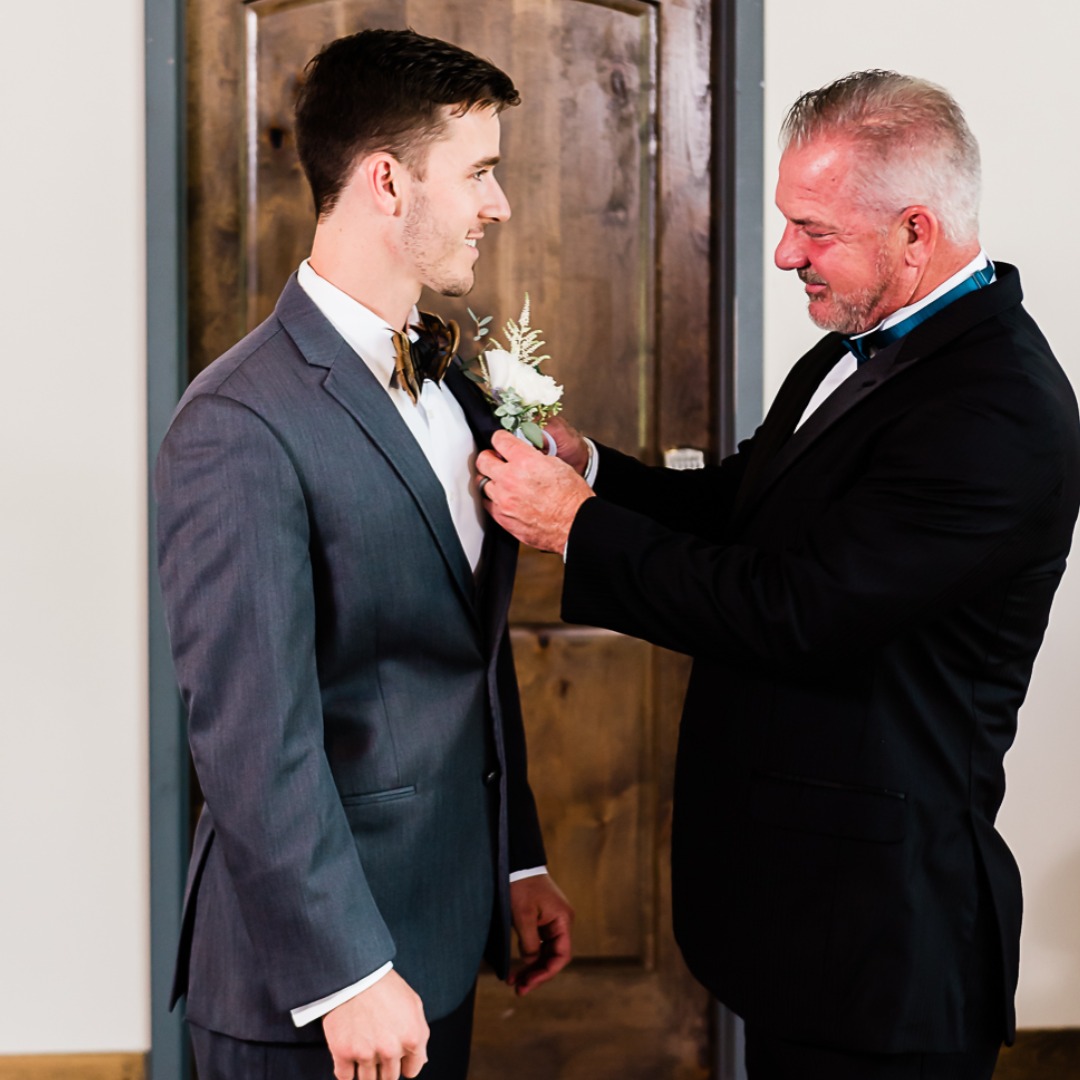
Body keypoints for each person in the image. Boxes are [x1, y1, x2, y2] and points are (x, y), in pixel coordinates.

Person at [476, 70, 1080, 1079]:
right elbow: (737, 507)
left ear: (915, 232)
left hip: (881, 937)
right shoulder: (858, 340)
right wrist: (590, 471)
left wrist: (577, 531)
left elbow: (798, 611)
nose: (785, 253)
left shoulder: (997, 411)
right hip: (801, 914)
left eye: (815, 230)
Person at [156, 28, 572, 1080]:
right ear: (388, 182)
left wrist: (514, 858)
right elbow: (252, 736)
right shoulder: (237, 422)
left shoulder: (458, 392)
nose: (498, 204)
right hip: (310, 987)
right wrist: (345, 971)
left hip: (442, 937)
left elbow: (470, 656)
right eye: (479, 171)